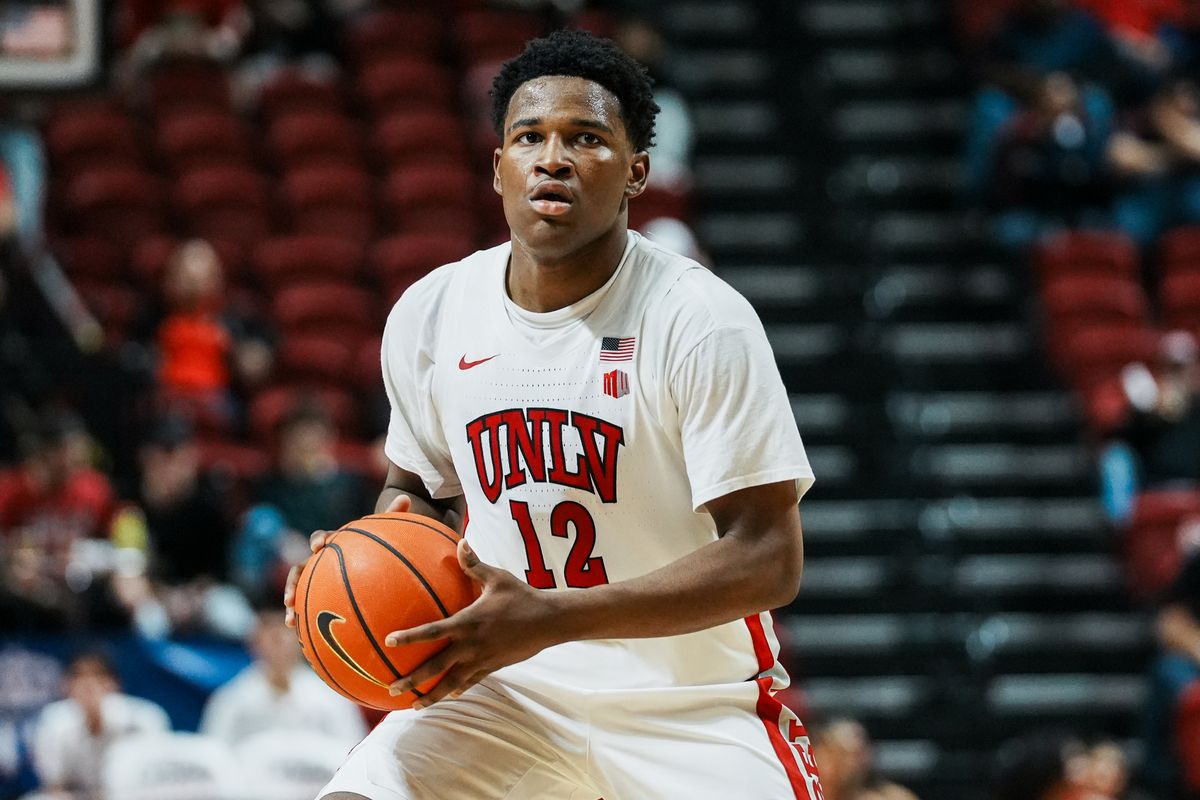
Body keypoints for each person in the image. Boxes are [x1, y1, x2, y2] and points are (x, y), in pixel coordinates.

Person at [284, 28, 820, 800]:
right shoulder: (433, 313)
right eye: (528, 136)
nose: (552, 158)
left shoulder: (701, 320)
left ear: (638, 172)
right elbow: (416, 495)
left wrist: (554, 616)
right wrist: (358, 561)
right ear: (497, 164)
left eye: (586, 139)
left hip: (691, 707)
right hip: (510, 690)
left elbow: (770, 556)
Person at [199, 603, 366, 748]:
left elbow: (353, 754)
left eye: (285, 627)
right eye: (267, 627)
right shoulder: (231, 700)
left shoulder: (330, 698)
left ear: (302, 637)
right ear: (253, 639)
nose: (277, 636)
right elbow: (214, 761)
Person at [28, 649, 171, 800]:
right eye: (79, 676)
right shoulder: (54, 719)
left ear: (115, 684)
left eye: (98, 676)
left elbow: (156, 776)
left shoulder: (144, 717)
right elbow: (54, 785)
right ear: (65, 685)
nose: (89, 684)